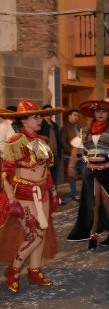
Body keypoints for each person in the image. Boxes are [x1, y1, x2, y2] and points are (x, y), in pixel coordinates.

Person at [0, 100, 63, 293]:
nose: (40, 119)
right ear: (24, 121)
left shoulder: (41, 141)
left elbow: (46, 170)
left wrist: (52, 192)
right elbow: (5, 172)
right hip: (24, 193)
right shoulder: (15, 142)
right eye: (35, 117)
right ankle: (14, 269)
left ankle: (34, 270)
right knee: (35, 234)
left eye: (39, 116)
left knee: (42, 231)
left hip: (42, 191)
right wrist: (11, 199)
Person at [66, 98, 109, 250]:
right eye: (98, 111)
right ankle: (93, 235)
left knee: (108, 203)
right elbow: (76, 149)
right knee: (93, 203)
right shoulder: (84, 131)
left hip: (107, 171)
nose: (100, 114)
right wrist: (71, 166)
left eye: (104, 111)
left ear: (108, 114)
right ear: (94, 114)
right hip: (90, 171)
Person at [60, 109, 85, 201]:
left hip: (81, 155)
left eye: (78, 115)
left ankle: (85, 192)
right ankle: (74, 193)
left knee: (85, 173)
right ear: (69, 116)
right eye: (75, 115)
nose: (76, 117)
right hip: (70, 155)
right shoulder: (65, 128)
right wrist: (72, 153)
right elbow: (63, 143)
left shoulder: (79, 127)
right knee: (72, 175)